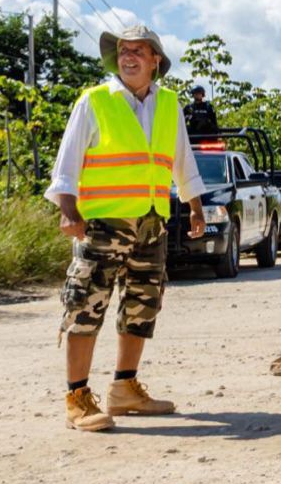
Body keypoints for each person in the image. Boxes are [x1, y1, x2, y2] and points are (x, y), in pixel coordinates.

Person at [45, 25, 208, 432]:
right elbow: (66, 164)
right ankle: (77, 397)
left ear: (156, 59)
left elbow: (182, 159)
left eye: (138, 50)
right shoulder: (95, 101)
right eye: (123, 50)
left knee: (142, 304)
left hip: (152, 221)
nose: (128, 56)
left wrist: (195, 206)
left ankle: (124, 388)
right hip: (104, 222)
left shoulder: (169, 103)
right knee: (86, 303)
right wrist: (68, 210)